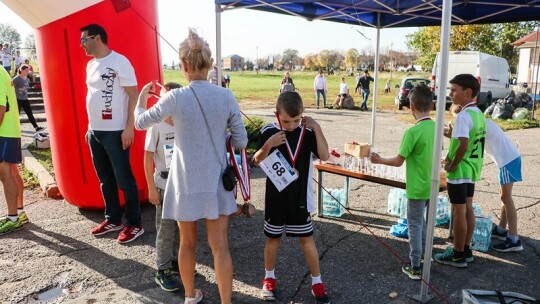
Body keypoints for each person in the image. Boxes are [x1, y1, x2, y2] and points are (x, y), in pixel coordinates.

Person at [135, 29, 248, 304]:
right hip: (216, 182)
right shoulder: (226, 96)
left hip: (184, 181)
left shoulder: (174, 98)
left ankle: (189, 296)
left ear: (183, 66)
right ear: (209, 64)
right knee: (220, 246)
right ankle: (226, 301)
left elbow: (140, 122)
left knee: (187, 243)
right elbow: (241, 141)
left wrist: (141, 99)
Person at [253, 91, 331, 303]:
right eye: (286, 121)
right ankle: (269, 279)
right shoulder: (269, 130)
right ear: (276, 114)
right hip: (276, 199)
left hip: (299, 199)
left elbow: (325, 156)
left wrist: (318, 128)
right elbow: (256, 160)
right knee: (272, 240)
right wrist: (269, 144)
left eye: (296, 120)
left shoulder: (307, 131)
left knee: (307, 240)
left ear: (303, 114)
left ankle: (317, 282)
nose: (291, 125)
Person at [80, 24, 143, 243]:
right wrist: (90, 129)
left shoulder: (120, 61)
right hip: (94, 132)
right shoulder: (90, 65)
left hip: (116, 132)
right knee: (105, 179)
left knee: (125, 180)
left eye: (84, 40)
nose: (82, 45)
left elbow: (133, 95)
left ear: (96, 38)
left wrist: (129, 127)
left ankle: (134, 224)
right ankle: (113, 219)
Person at [370, 84, 435, 280]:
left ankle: (415, 265)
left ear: (411, 107)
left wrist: (379, 160)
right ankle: (424, 256)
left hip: (416, 187)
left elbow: (398, 161)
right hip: (431, 185)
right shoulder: (435, 126)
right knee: (423, 222)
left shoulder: (412, 132)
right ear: (431, 106)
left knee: (414, 225)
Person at [447, 105, 523, 252]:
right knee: (504, 196)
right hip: (510, 158)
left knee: (506, 197)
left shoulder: (473, 122)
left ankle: (514, 239)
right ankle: (501, 229)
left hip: (508, 160)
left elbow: (465, 144)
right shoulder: (481, 120)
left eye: (456, 117)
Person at [435, 74, 485, 268]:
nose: (451, 93)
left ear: (468, 92)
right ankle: (465, 248)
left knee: (458, 212)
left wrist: (452, 165)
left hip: (460, 170)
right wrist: (452, 135)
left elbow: (463, 145)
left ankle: (457, 254)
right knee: (468, 209)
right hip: (472, 169)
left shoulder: (463, 115)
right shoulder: (478, 113)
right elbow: (467, 140)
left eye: (454, 90)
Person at [143, 82, 182, 292]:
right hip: (164, 186)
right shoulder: (156, 125)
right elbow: (147, 158)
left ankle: (177, 261)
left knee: (182, 229)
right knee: (165, 230)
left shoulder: (184, 122)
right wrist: (151, 187)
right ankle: (162, 270)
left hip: (182, 186)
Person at [0, 66, 26, 235]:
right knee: (12, 171)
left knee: (4, 173)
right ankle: (19, 213)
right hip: (10, 130)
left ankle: (13, 218)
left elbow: (1, 107)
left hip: (4, 130)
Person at [12, 65, 43, 132]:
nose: (27, 71)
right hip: (18, 99)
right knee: (16, 115)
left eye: (28, 70)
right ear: (21, 70)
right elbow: (11, 87)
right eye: (26, 70)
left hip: (25, 99)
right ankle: (14, 128)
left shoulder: (27, 79)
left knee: (30, 113)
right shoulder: (16, 79)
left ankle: (36, 127)